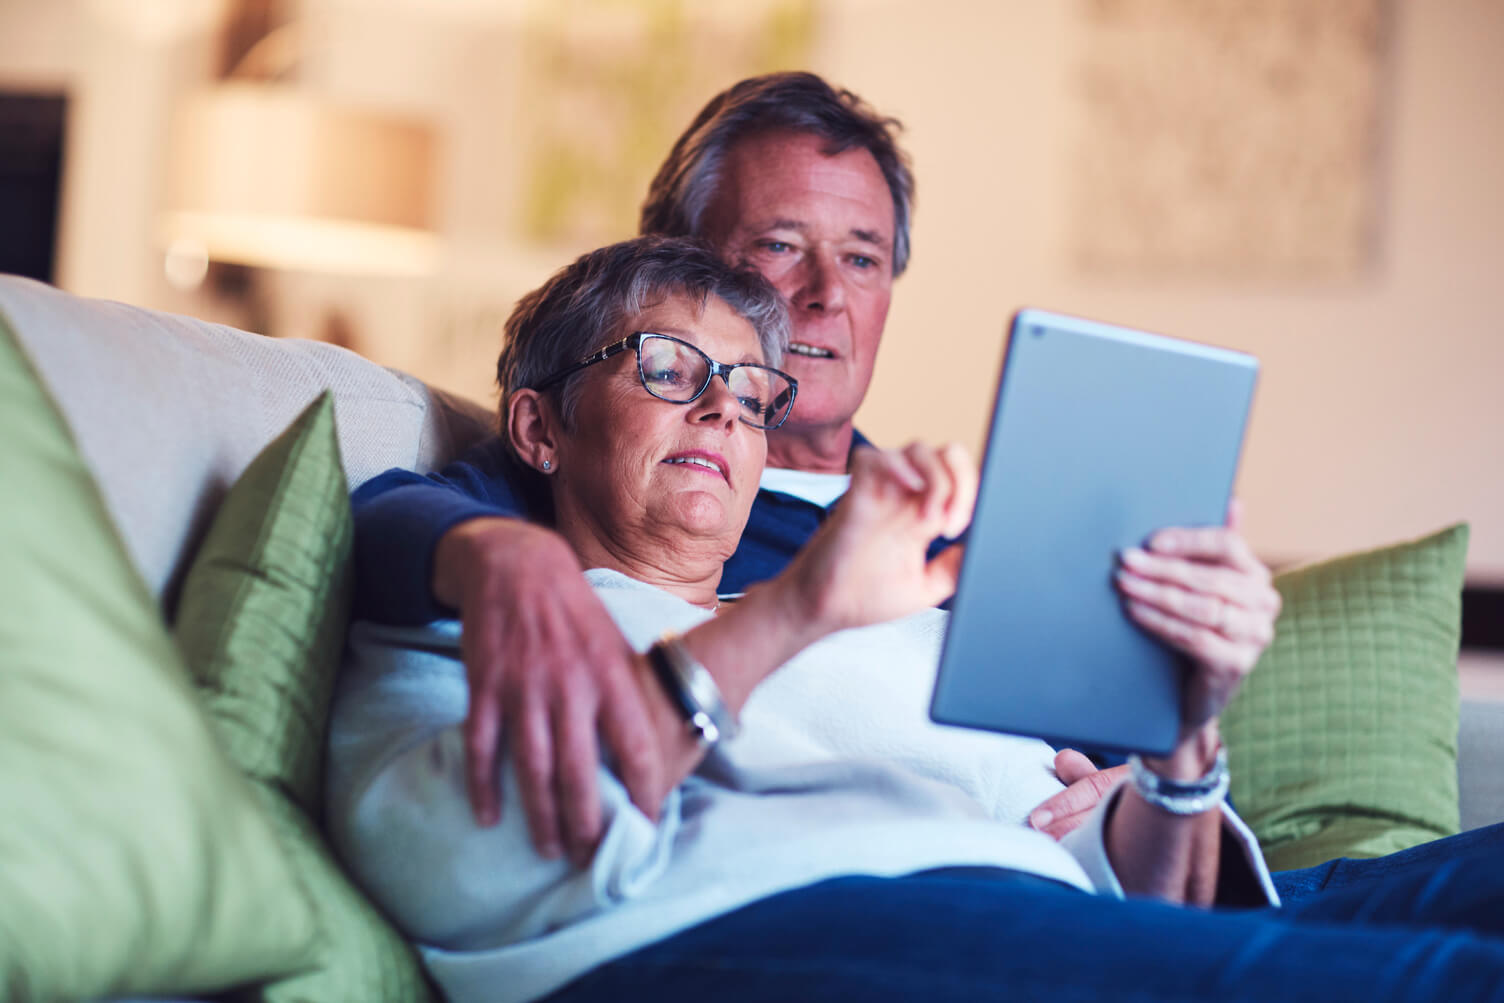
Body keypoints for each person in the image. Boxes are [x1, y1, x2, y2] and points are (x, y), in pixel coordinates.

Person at [327, 236, 1504, 1003]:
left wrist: (1187, 734)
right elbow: (488, 852)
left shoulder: (884, 626)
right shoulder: (482, 611)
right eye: (669, 366)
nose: (723, 413)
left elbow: (1139, 886)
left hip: (1036, 906)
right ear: (537, 429)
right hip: (773, 936)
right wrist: (800, 608)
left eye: (748, 391)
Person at [352, 72, 939, 862]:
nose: (826, 293)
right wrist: (486, 551)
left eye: (862, 258)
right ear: (683, 263)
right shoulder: (641, 476)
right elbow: (384, 521)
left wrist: (1135, 786)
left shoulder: (944, 522)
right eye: (779, 245)